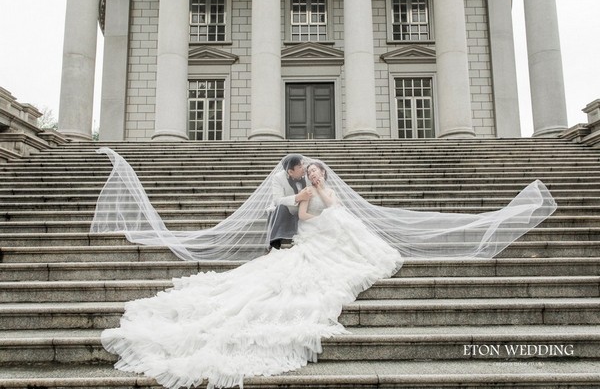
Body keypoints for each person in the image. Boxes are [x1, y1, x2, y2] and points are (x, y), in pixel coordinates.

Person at [92, 148, 557, 389]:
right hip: (319, 236)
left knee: (366, 252)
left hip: (334, 230)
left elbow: (328, 207)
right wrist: (308, 207)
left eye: (315, 172)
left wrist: (318, 203)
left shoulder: (322, 186)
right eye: (308, 172)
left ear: (321, 173)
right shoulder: (302, 190)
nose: (312, 175)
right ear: (302, 174)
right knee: (310, 269)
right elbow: (309, 216)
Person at [267, 154, 312, 249]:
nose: (304, 168)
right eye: (300, 167)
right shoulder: (278, 178)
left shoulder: (309, 174)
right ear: (290, 172)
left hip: (305, 210)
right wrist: (298, 197)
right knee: (280, 207)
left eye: (303, 164)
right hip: (287, 211)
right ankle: (275, 244)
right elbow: (277, 200)